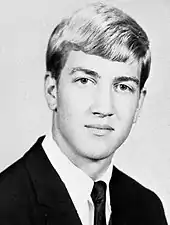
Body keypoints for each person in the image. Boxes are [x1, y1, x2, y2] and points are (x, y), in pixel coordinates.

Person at [0, 1, 168, 224]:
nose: (103, 108)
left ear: (139, 104)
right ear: (52, 91)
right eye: (85, 81)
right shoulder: (5, 206)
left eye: (123, 87)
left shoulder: (147, 209)